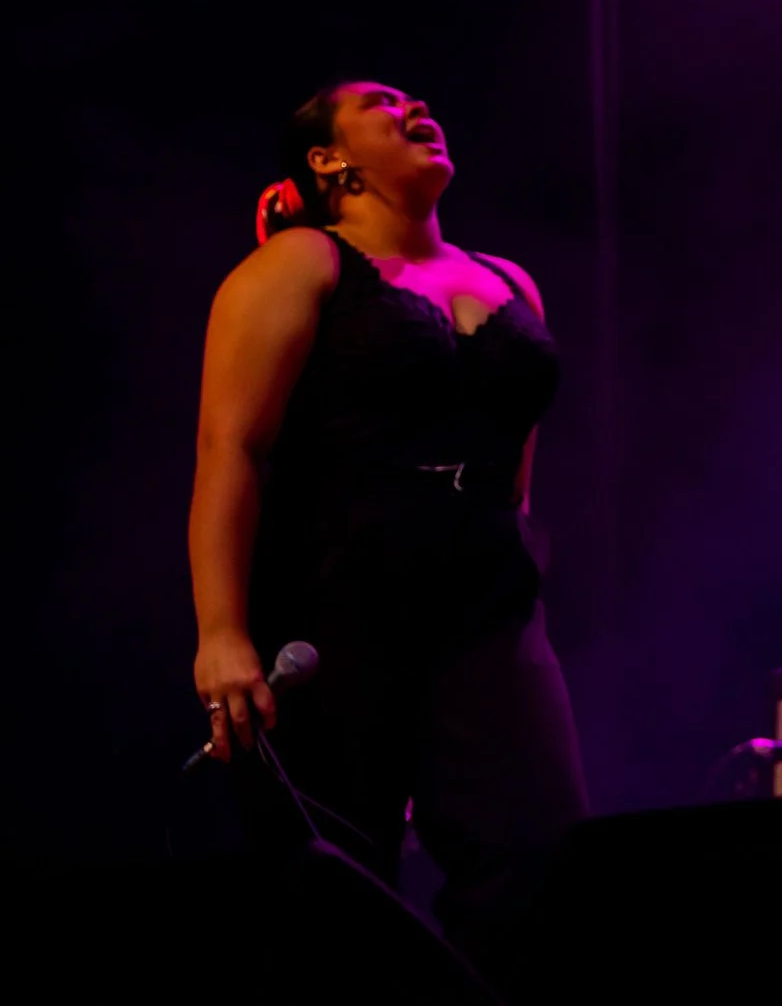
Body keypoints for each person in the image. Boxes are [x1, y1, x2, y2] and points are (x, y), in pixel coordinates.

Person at [188, 81, 588, 982]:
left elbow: (512, 460)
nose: (415, 108)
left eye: (417, 100)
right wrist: (221, 632)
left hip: (487, 601)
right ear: (329, 160)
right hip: (339, 593)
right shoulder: (300, 263)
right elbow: (231, 447)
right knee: (341, 877)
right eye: (381, 103)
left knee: (538, 847)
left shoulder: (507, 280)